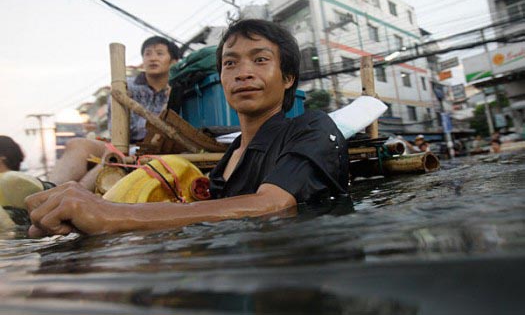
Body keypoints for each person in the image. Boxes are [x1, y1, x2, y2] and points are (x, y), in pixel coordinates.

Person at [26, 19, 349, 237]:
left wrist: (109, 213)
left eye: (260, 60)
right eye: (230, 63)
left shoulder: (313, 127)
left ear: (289, 77)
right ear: (221, 78)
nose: (243, 72)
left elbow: (272, 204)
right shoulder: (227, 162)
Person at [48, 36, 179, 190]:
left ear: (173, 61)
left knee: (113, 157)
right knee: (78, 144)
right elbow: (115, 129)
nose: (152, 58)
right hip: (124, 143)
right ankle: (47, 189)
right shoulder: (125, 87)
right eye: (148, 54)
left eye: (159, 53)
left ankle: (71, 195)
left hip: (159, 150)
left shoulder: (179, 88)